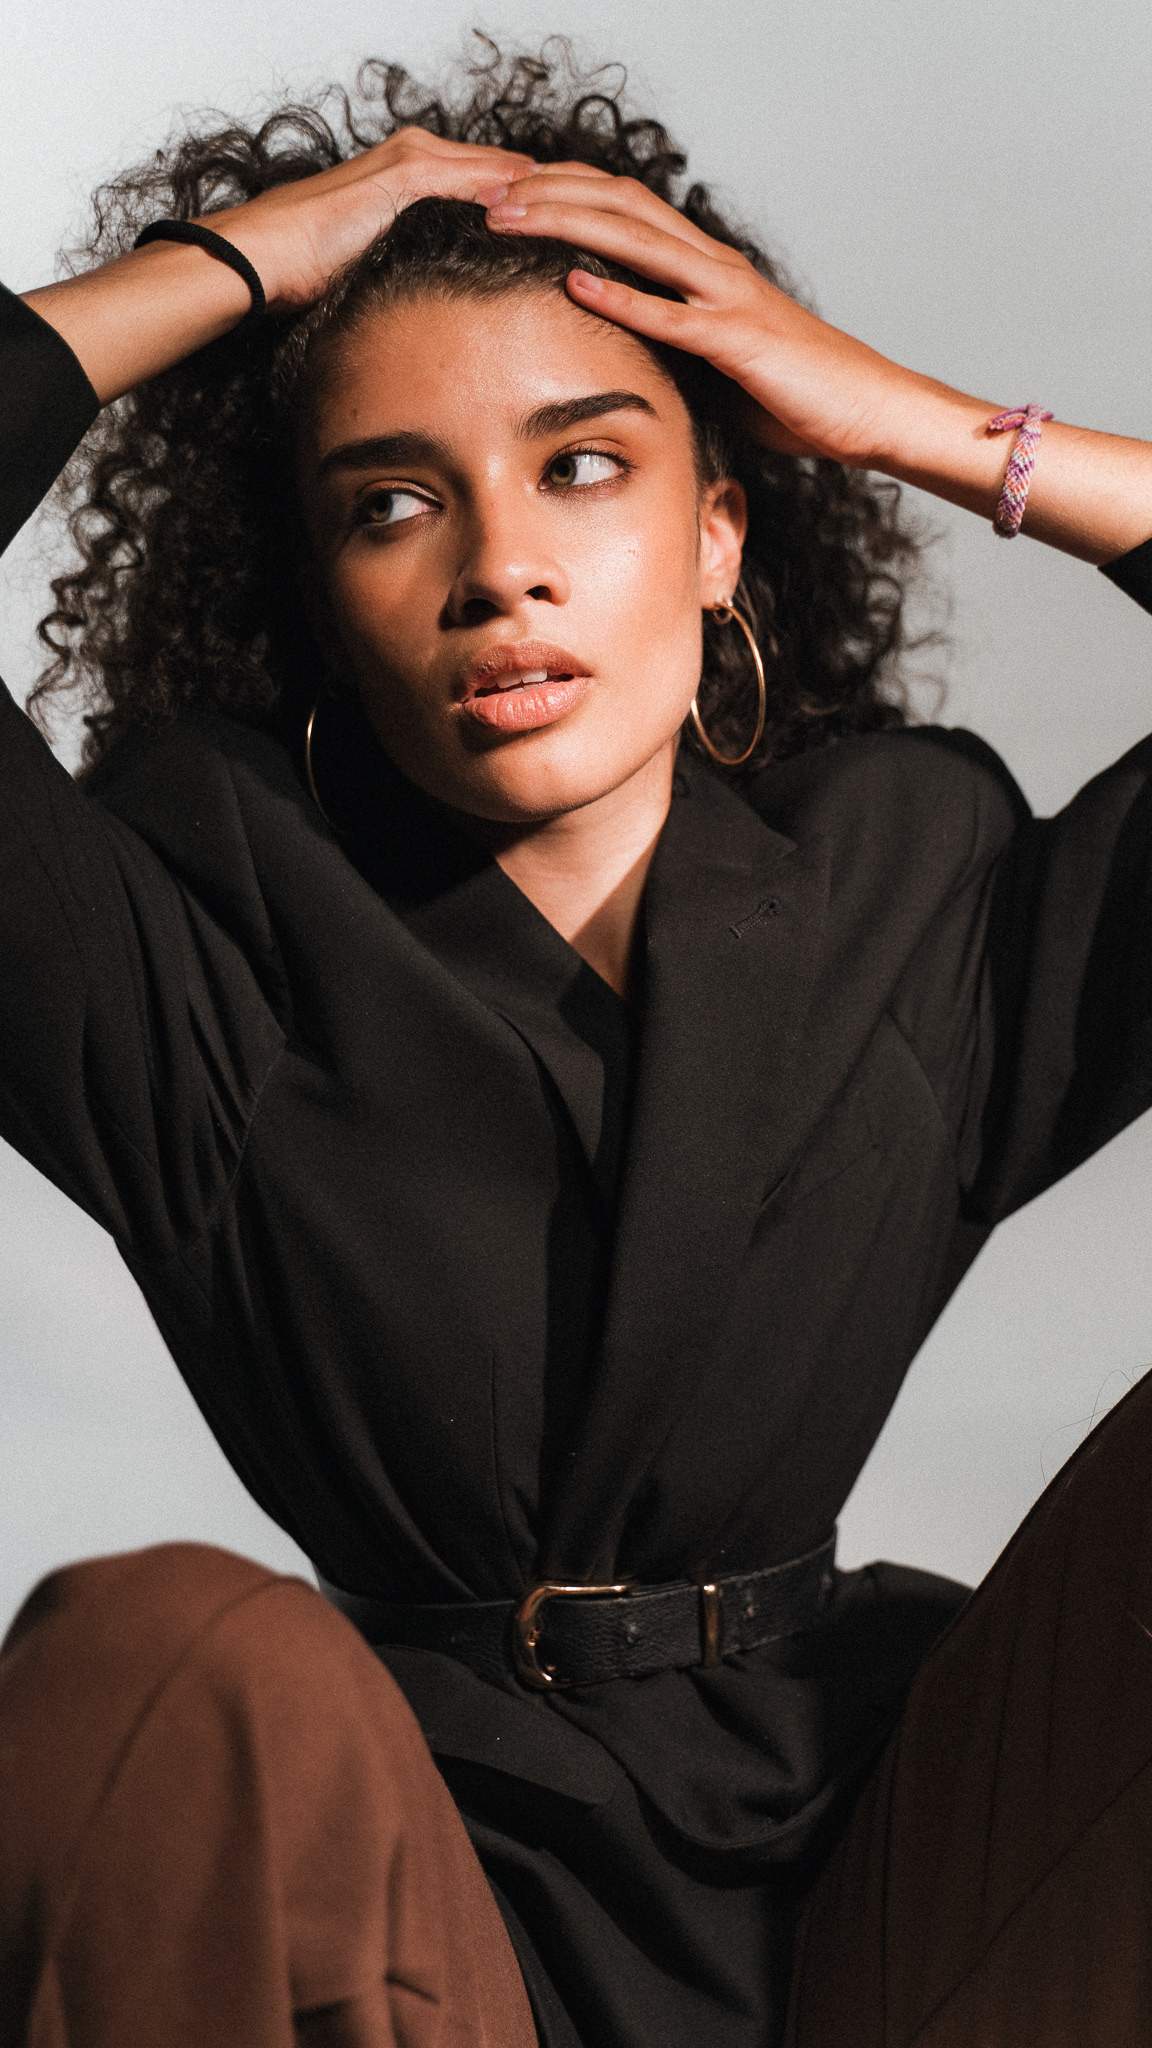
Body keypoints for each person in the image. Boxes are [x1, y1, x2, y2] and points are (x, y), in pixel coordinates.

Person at [3, 40, 1152, 2048]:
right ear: (321, 594)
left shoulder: (908, 888)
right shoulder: (195, 941)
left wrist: (907, 416)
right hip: (422, 1882)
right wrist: (241, 262)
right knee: (156, 1646)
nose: (499, 568)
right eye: (391, 503)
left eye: (587, 464)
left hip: (881, 1861)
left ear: (721, 532)